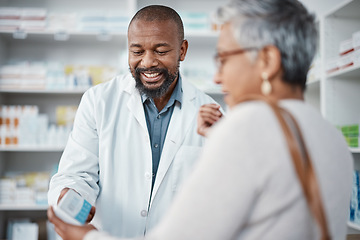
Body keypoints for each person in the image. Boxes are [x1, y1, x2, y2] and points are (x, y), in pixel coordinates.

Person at [48, 0, 354, 239]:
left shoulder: (243, 126)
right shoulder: (332, 137)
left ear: (267, 61)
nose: (218, 77)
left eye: (224, 59)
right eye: (137, 50)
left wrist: (85, 237)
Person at [47, 5, 223, 238]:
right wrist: (70, 194)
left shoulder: (210, 112)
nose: (147, 62)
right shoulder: (98, 101)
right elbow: (76, 174)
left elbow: (219, 195)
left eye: (160, 51)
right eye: (137, 51)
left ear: (182, 50)